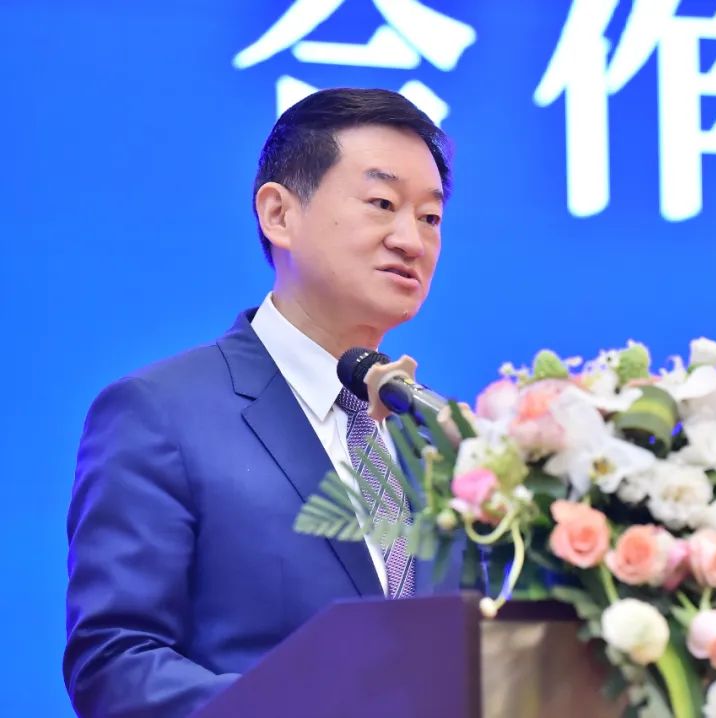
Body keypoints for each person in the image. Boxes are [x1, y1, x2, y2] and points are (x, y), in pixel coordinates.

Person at [63, 88, 457, 718]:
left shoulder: (444, 436)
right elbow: (116, 664)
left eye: (431, 217)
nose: (412, 240)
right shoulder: (159, 414)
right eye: (382, 204)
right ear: (279, 214)